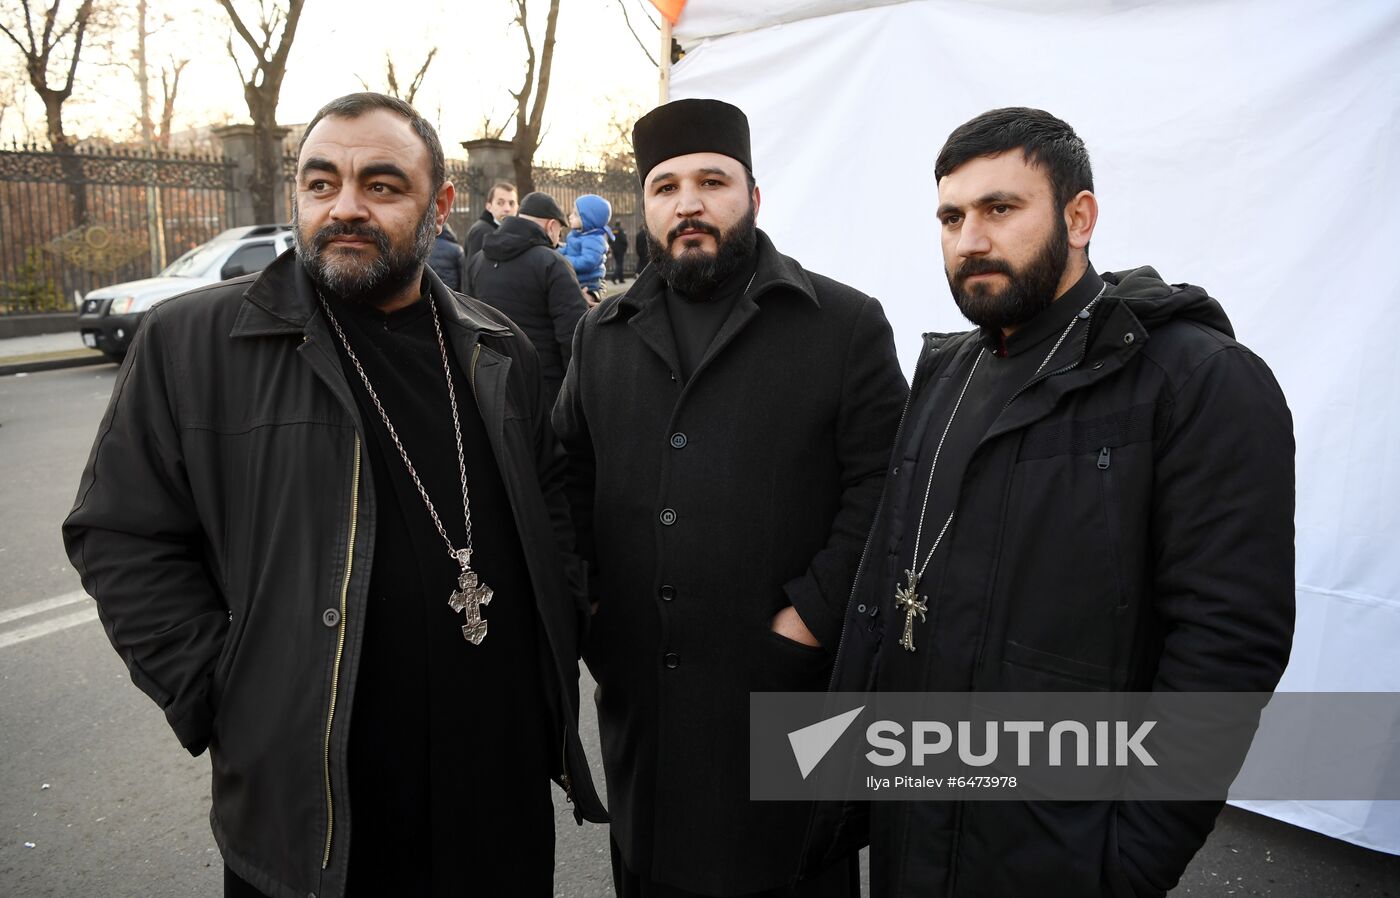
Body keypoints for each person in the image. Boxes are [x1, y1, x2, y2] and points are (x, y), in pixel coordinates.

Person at [62, 92, 605, 898]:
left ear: (441, 205)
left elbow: (549, 508)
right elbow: (119, 533)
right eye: (321, 184)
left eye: (381, 186)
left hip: (496, 794)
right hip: (317, 813)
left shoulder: (499, 349)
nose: (344, 207)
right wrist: (221, 692)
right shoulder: (193, 344)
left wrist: (555, 638)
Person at [813, 107, 1295, 897]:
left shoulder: (1197, 381)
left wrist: (1133, 858)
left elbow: (1228, 644)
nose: (970, 239)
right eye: (951, 216)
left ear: (1079, 217)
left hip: (1061, 849)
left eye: (1000, 209)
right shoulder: (947, 373)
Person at [554, 98, 907, 898]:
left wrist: (811, 616)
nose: (688, 203)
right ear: (644, 205)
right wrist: (594, 607)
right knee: (652, 869)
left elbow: (886, 486)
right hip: (644, 696)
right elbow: (566, 473)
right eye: (666, 186)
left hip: (787, 691)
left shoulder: (842, 323)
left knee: (789, 872)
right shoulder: (602, 332)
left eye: (713, 181)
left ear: (753, 195)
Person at [465, 190, 587, 404]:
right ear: (551, 226)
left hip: (492, 386)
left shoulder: (477, 261)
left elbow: (467, 323)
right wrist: (578, 395)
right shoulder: (553, 263)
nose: (559, 239)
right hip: (546, 389)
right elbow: (574, 336)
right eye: (560, 231)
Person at [560, 193, 612, 305]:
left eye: (575, 214)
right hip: (578, 279)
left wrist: (564, 260)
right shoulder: (576, 235)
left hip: (589, 284)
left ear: (588, 219)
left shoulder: (594, 239)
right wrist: (555, 254)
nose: (570, 216)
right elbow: (567, 249)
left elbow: (588, 261)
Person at [465, 179, 517, 258]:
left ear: (517, 207)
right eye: (500, 203)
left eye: (511, 203)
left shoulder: (515, 232)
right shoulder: (481, 231)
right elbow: (474, 267)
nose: (507, 209)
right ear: (489, 207)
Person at [426, 220, 464, 290]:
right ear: (449, 232)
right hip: (453, 292)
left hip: (432, 291)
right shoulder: (456, 249)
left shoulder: (425, 248)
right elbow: (463, 274)